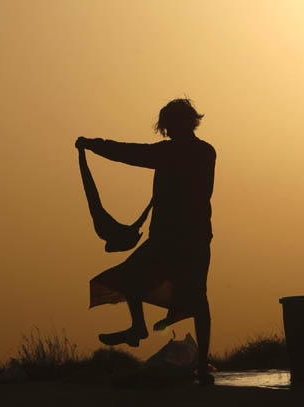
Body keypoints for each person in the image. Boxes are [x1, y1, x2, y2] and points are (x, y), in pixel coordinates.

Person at [76, 98, 216, 385]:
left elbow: (128, 153)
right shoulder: (206, 152)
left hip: (172, 238)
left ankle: (140, 328)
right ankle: (198, 363)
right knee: (198, 299)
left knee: (132, 276)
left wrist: (92, 144)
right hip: (196, 237)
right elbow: (132, 154)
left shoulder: (170, 154)